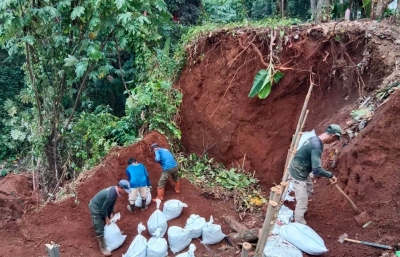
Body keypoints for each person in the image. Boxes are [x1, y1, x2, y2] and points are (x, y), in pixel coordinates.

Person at [289, 124, 342, 225]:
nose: (334, 141)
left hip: (301, 168)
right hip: (297, 172)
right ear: (333, 135)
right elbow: (317, 170)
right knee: (302, 202)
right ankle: (299, 224)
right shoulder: (317, 146)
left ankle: (300, 207)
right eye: (335, 139)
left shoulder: (315, 139)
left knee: (309, 188)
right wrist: (330, 175)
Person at [88, 180, 132, 256]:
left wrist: (111, 212)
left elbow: (112, 203)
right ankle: (103, 247)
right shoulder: (111, 194)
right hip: (95, 207)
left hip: (102, 206)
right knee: (98, 225)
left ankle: (111, 234)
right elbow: (103, 210)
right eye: (124, 190)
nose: (125, 192)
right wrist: (106, 219)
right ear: (120, 188)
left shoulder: (115, 191)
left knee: (108, 216)